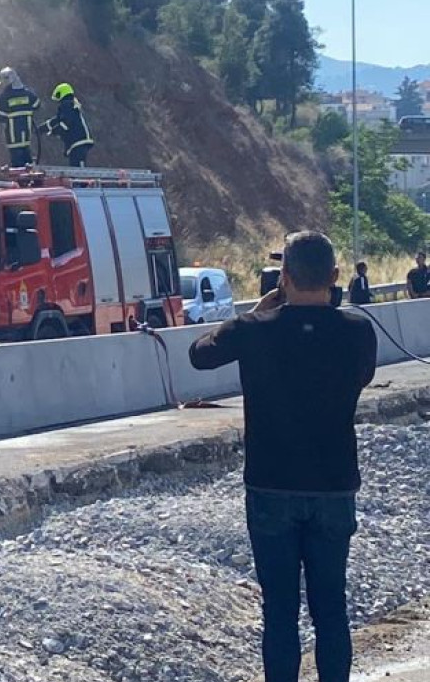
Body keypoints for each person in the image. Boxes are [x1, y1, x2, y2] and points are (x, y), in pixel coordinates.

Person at [189, 231, 376, 682]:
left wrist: (258, 312)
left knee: (280, 613)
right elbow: (364, 375)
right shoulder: (357, 331)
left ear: (283, 277)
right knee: (331, 608)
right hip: (333, 486)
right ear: (334, 277)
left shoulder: (255, 330)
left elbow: (199, 355)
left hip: (271, 485)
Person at [0, 67, 41, 168]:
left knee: (18, 167)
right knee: (28, 164)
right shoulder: (28, 94)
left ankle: (23, 182)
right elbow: (37, 104)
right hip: (26, 137)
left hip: (13, 138)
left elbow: (1, 116)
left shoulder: (5, 96)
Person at [39, 82, 95, 167]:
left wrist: (53, 131)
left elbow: (65, 123)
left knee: (78, 170)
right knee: (76, 167)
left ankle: (79, 180)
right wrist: (43, 127)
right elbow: (57, 120)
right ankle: (78, 179)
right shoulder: (69, 106)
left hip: (78, 141)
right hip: (78, 142)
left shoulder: (67, 105)